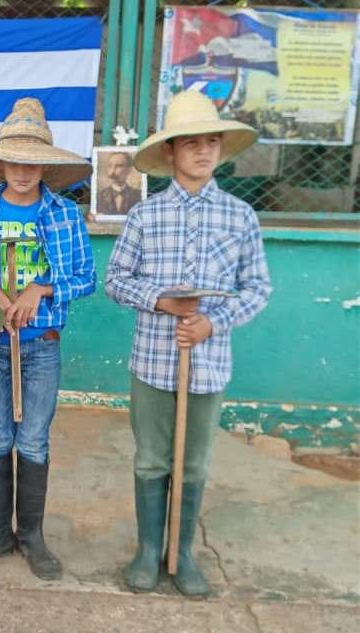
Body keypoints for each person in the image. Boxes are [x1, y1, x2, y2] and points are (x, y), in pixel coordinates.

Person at [105, 91, 272, 597]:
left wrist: (210, 324)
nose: (203, 151)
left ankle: (183, 552)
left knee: (193, 462)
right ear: (171, 153)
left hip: (208, 363)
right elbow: (116, 279)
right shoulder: (145, 216)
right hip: (153, 362)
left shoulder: (240, 216)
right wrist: (162, 301)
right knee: (152, 458)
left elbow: (258, 288)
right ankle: (147, 551)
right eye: (191, 143)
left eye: (212, 142)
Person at [0, 97, 97, 581]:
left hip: (43, 342)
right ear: (1, 162)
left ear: (44, 165)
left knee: (33, 438)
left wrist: (43, 286)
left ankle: (31, 535)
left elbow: (86, 277)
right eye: (13, 159)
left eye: (31, 160)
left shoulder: (63, 215)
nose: (21, 169)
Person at [95, 151, 141, 215]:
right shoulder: (99, 196)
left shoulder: (138, 195)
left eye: (119, 166)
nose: (112, 171)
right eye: (110, 166)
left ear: (129, 170)